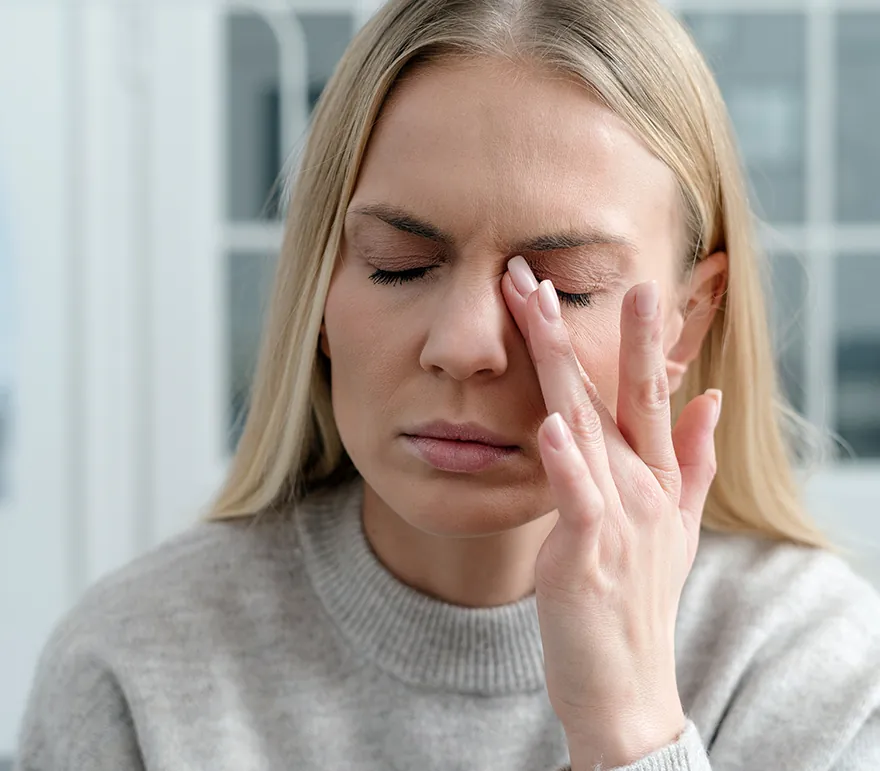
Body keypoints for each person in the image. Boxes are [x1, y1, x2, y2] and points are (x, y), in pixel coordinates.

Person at [14, 0, 880, 769]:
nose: (464, 345)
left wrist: (632, 729)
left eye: (563, 285)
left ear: (687, 321)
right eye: (398, 264)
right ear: (320, 291)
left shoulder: (813, 665)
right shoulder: (130, 669)